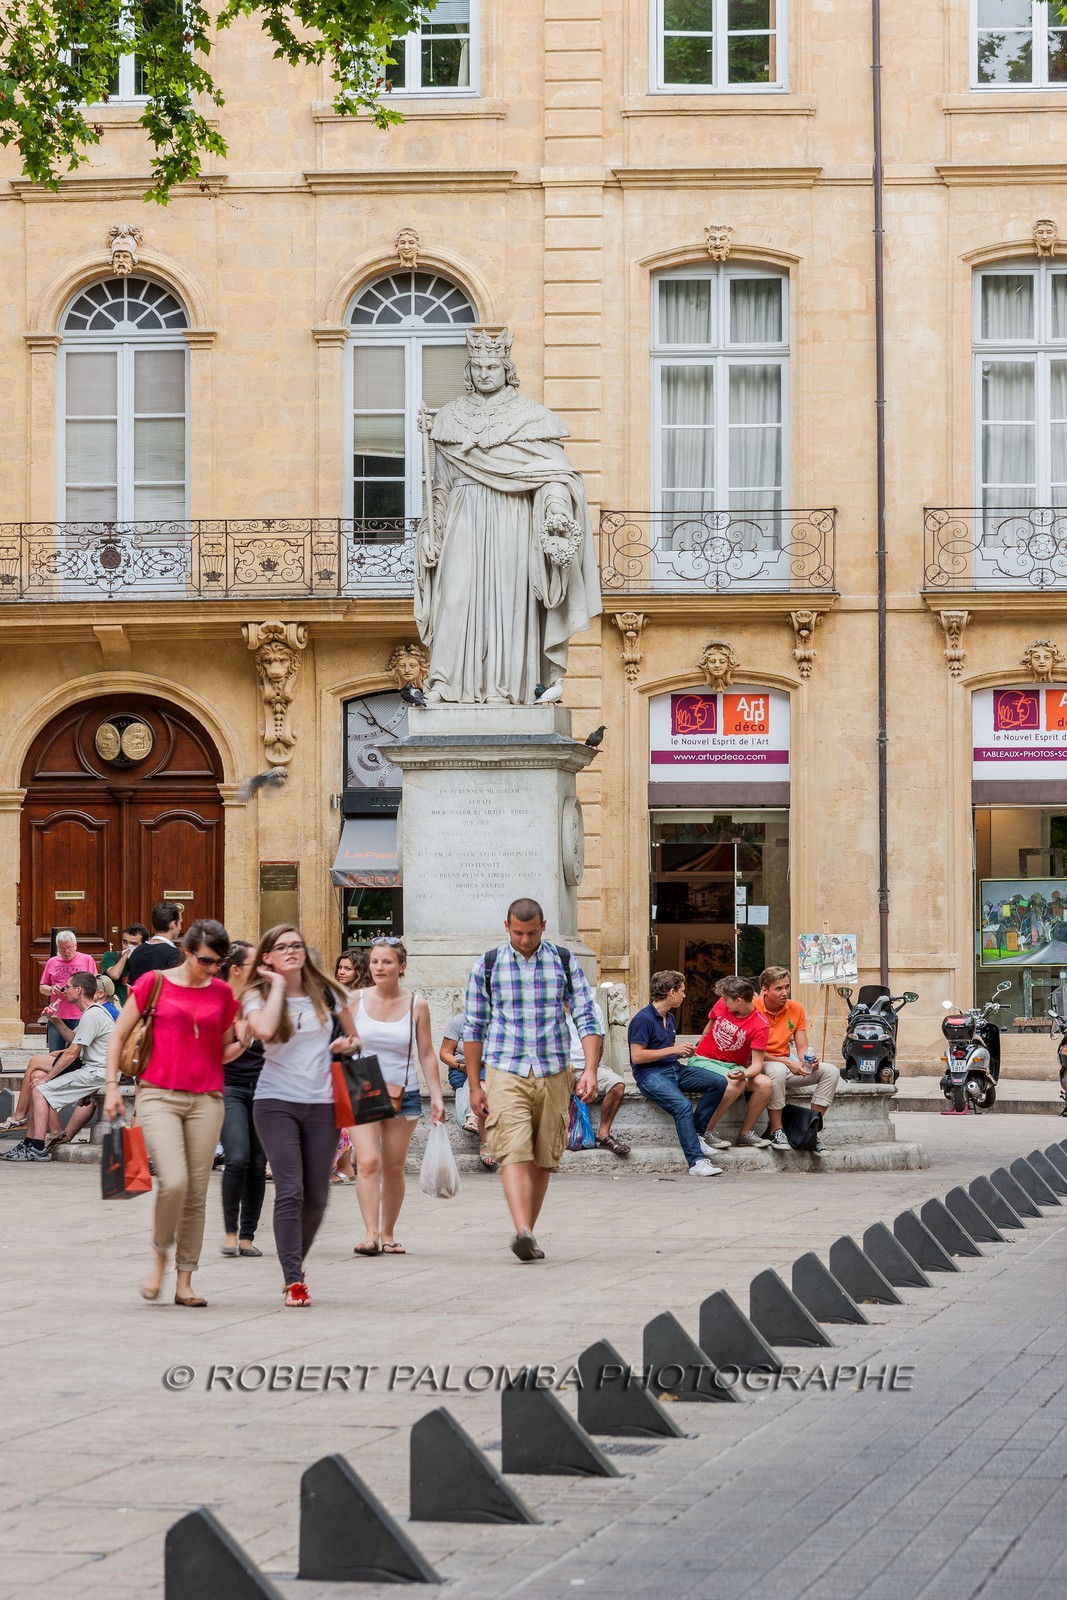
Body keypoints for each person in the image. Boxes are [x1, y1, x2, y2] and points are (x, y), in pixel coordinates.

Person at [104, 919, 241, 1307]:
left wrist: (244, 1041)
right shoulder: (154, 983)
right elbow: (118, 1035)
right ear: (186, 951)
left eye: (219, 962)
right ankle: (159, 1256)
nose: (213, 968)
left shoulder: (222, 993)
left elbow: (224, 1051)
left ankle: (185, 1280)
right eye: (206, 961)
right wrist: (112, 1087)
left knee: (196, 1194)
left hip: (207, 1099)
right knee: (175, 1181)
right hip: (158, 1094)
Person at [463, 899, 603, 1261]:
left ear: (544, 925)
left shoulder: (563, 960)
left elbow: (587, 1016)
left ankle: (530, 1231)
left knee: (544, 1157)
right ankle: (522, 1229)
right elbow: (474, 1026)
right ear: (506, 926)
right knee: (511, 1150)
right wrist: (475, 1084)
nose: (525, 939)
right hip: (505, 1067)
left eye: (533, 932)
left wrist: (589, 1069)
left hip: (554, 1069)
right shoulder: (489, 964)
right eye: (518, 932)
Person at [243, 925, 361, 1306]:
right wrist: (277, 985)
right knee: (290, 1190)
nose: (292, 951)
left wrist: (346, 1044)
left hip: (323, 1103)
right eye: (282, 947)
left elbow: (356, 1038)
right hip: (275, 1101)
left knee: (318, 1197)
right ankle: (293, 1278)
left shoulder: (329, 993)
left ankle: (296, 1262)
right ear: (267, 957)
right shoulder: (256, 995)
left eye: (297, 946)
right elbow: (262, 1031)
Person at [351, 936, 446, 1256]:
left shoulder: (416, 1004)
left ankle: (388, 1232)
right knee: (367, 1162)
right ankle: (370, 1233)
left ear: (401, 967)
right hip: (362, 1089)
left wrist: (435, 1096)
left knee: (393, 1167)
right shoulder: (355, 1000)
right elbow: (337, 1039)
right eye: (375, 961)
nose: (380, 967)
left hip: (402, 1093)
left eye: (387, 961)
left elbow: (427, 1053)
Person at [3, 973, 115, 1161]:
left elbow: (72, 1053)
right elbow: (73, 1039)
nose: (64, 990)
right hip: (95, 1070)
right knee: (37, 1078)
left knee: (40, 1088)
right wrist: (55, 1019)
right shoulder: (91, 1012)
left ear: (78, 990)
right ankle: (30, 1143)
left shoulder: (93, 1015)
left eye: (67, 987)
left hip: (98, 1073)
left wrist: (47, 1078)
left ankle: (36, 1146)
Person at [628, 971, 726, 1176]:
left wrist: (682, 1052)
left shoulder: (670, 1017)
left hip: (674, 1068)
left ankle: (697, 1134)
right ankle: (696, 1162)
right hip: (650, 1075)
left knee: (718, 1082)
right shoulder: (642, 1019)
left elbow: (664, 1052)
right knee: (682, 1105)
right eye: (682, 991)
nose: (684, 996)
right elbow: (637, 1057)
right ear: (671, 992)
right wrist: (673, 1050)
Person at [754, 966, 840, 1155]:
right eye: (779, 989)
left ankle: (810, 1130)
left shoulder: (796, 1008)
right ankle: (776, 1131)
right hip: (759, 1064)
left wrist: (809, 1061)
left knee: (830, 1071)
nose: (785, 993)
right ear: (764, 989)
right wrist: (788, 1063)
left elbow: (801, 1048)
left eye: (787, 987)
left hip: (785, 1064)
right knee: (776, 1069)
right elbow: (753, 1052)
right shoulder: (753, 1008)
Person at [218, 942, 268, 1258]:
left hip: (267, 1088)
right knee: (237, 1158)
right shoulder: (221, 1002)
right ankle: (230, 1233)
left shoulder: (266, 1000)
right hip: (231, 1087)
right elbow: (218, 1056)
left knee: (258, 1163)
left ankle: (247, 1235)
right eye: (254, 963)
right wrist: (244, 1042)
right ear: (236, 968)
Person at [691, 976, 775, 1149]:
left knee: (765, 1084)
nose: (723, 1002)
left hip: (733, 1067)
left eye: (727, 1000)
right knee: (735, 1084)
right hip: (704, 1060)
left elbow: (757, 1065)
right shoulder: (723, 1003)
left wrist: (745, 1073)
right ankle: (704, 1131)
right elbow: (709, 1027)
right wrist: (698, 1049)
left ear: (738, 1000)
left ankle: (745, 1133)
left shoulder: (760, 1024)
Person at [566, 998, 629, 1156]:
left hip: (589, 1066)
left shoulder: (593, 1008)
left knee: (617, 1085)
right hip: (559, 1067)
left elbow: (599, 1043)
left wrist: (590, 1072)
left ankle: (603, 1133)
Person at [441, 1008, 495, 1169]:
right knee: (484, 1085)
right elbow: (444, 1053)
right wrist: (460, 1065)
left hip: (487, 1069)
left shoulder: (501, 1022)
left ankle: (473, 1117)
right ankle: (486, 1144)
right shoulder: (458, 1021)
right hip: (461, 1070)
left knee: (485, 1077)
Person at [38, 931, 97, 1051]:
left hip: (79, 1014)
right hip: (56, 1014)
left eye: (69, 947)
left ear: (76, 945)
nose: (66, 952)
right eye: (62, 949)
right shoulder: (52, 962)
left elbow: (94, 985)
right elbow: (42, 987)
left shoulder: (87, 959)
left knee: (77, 1051)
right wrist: (51, 989)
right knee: (54, 1051)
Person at [126, 901, 184, 984]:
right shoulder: (174, 954)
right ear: (173, 924)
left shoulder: (136, 952)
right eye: (180, 923)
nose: (180, 928)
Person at [101, 924, 149, 1007]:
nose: (127, 946)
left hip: (141, 1009)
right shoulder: (111, 956)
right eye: (125, 942)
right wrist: (126, 954)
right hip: (117, 1009)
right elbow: (114, 975)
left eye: (133, 944)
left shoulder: (149, 960)